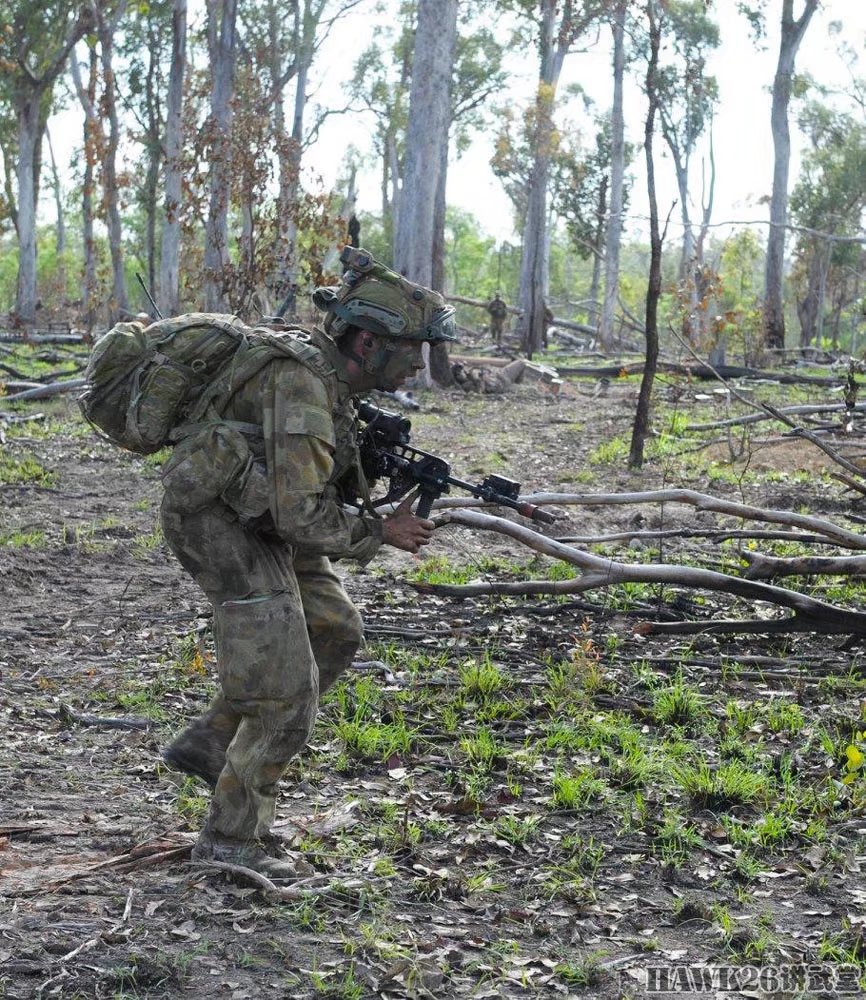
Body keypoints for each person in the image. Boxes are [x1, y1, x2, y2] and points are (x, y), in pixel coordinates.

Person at [161, 247, 457, 877]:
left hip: (258, 514)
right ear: (369, 343)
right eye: (411, 348)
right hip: (219, 525)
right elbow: (301, 518)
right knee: (285, 695)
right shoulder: (302, 385)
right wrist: (381, 530)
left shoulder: (329, 376)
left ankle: (209, 745)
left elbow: (304, 490)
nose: (418, 363)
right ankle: (231, 842)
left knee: (334, 628)